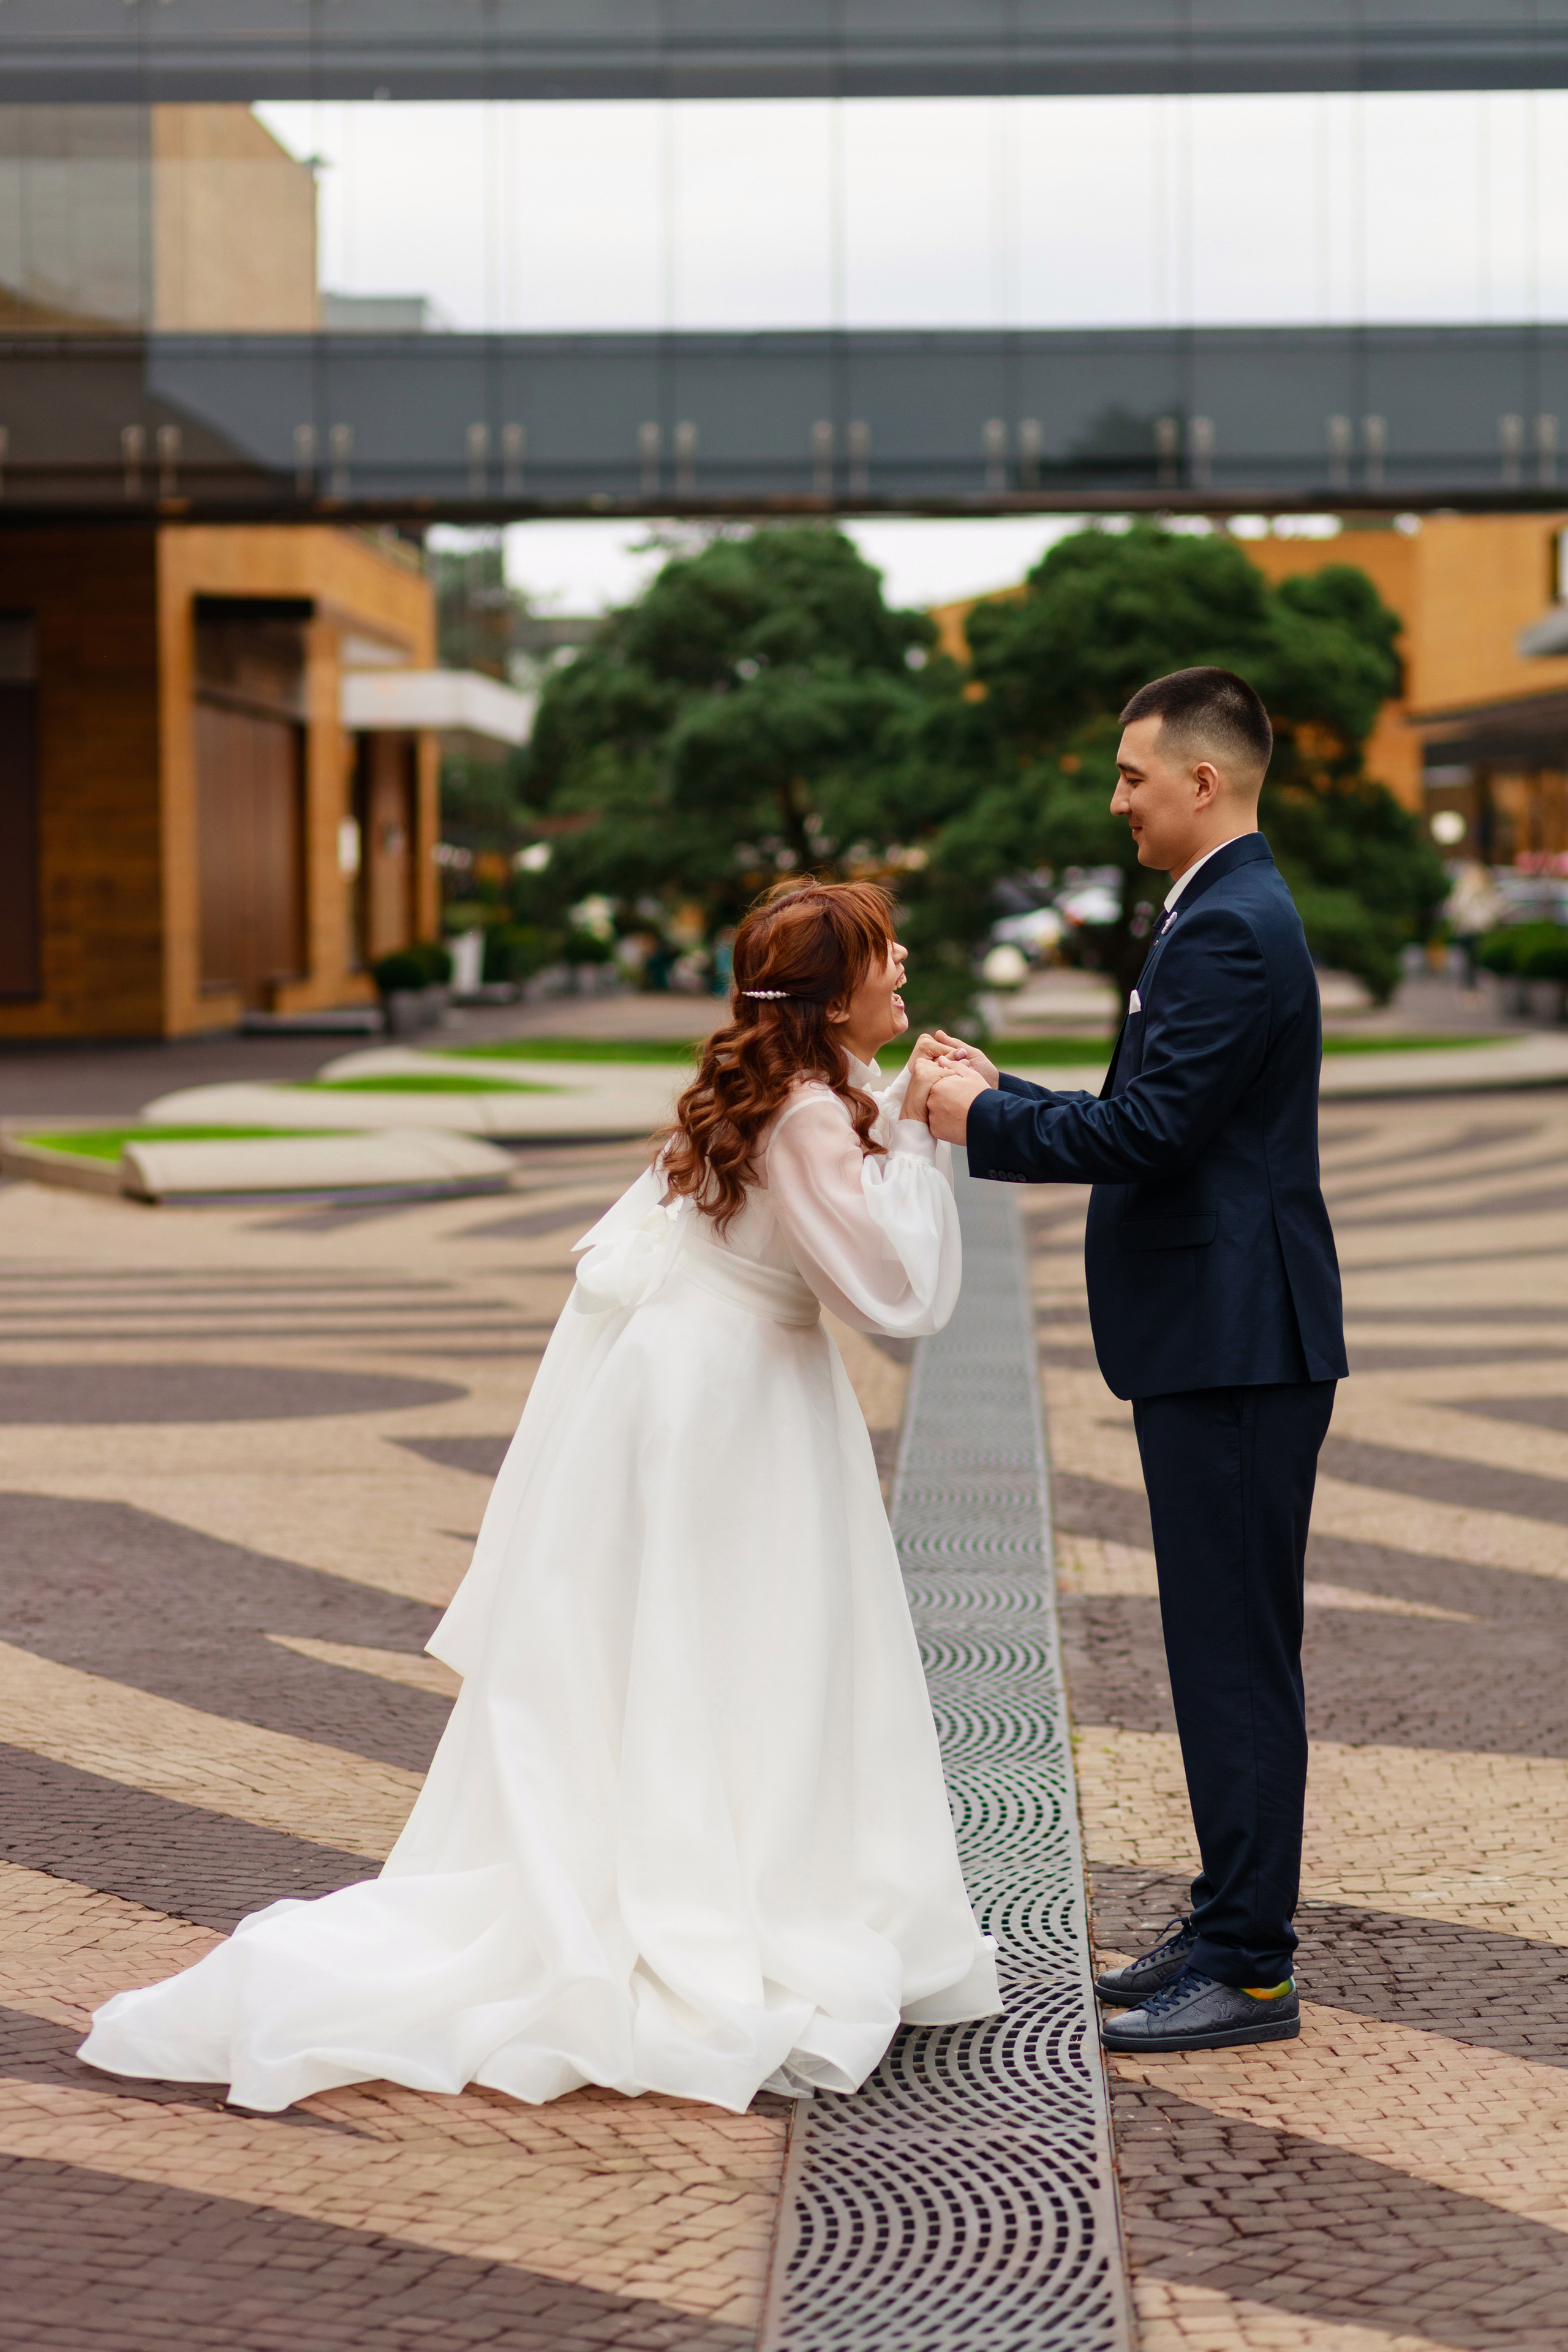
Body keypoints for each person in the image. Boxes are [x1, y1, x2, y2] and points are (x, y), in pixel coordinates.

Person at [80, 879, 998, 2115]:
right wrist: (938, 1134)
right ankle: (721, 1890)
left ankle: (693, 1855)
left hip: (697, 1389)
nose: (905, 973)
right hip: (733, 1409)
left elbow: (816, 1186)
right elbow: (900, 1295)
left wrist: (893, 1109)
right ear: (837, 996)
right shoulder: (805, 1120)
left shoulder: (788, 1101)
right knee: (744, 1642)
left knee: (693, 1643)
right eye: (888, 958)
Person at [922, 666, 1345, 2056]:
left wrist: (976, 1120)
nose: (1115, 801)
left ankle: (1251, 1965)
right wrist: (1005, 1092)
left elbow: (1145, 1139)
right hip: (1222, 1338)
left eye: (1129, 777)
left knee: (1229, 1660)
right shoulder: (1219, 912)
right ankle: (1227, 1925)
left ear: (1200, 782)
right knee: (1220, 1649)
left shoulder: (1226, 925)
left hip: (1234, 1345)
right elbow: (1147, 1112)